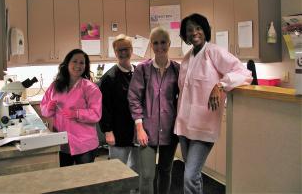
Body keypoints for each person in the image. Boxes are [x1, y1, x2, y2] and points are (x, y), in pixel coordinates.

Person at [175, 13, 253, 194]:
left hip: (203, 127)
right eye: (189, 30)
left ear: (205, 31)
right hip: (184, 126)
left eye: (198, 28)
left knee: (190, 175)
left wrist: (221, 85)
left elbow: (244, 72)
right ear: (185, 35)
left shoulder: (214, 52)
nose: (194, 33)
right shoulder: (186, 59)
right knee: (192, 173)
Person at [128, 27, 180, 194]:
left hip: (170, 130)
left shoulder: (178, 70)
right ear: (151, 45)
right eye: (156, 43)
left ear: (169, 44)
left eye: (163, 42)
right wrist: (139, 127)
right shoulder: (142, 69)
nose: (159, 47)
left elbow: (185, 97)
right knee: (148, 175)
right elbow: (134, 98)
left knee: (165, 171)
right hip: (146, 131)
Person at [40, 49, 102, 167]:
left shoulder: (90, 88)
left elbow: (96, 114)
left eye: (82, 63)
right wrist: (49, 107)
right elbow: (44, 109)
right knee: (65, 179)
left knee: (84, 180)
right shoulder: (55, 86)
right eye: (74, 61)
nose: (78, 65)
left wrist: (77, 114)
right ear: (67, 63)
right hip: (61, 142)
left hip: (84, 144)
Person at [98, 34, 139, 173]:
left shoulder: (139, 73)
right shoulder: (109, 78)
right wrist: (108, 131)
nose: (123, 53)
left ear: (131, 50)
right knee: (117, 172)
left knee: (137, 169)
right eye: (119, 50)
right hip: (118, 133)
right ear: (115, 52)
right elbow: (104, 107)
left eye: (126, 49)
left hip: (138, 132)